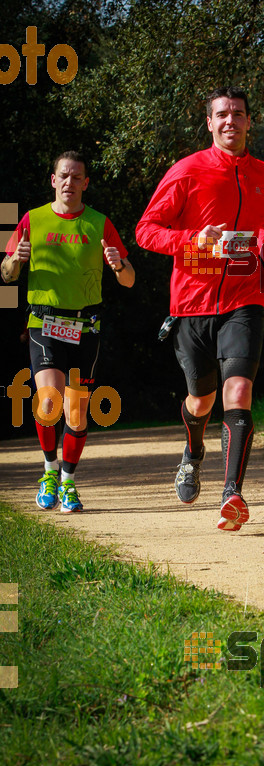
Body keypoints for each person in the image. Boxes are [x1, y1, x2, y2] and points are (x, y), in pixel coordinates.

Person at [136, 87, 264, 532]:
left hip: (245, 300)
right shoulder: (187, 171)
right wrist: (192, 239)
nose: (230, 122)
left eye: (238, 114)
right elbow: (146, 231)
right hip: (192, 304)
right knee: (200, 400)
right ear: (209, 123)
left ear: (249, 121)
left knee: (237, 392)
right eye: (221, 114)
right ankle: (193, 451)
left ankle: (232, 495)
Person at [2, 151, 135, 512]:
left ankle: (69, 483)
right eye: (64, 176)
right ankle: (48, 471)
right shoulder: (33, 220)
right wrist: (16, 259)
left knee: (76, 413)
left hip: (85, 327)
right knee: (48, 403)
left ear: (85, 183)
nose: (69, 183)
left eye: (77, 177)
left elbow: (129, 279)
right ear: (53, 180)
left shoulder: (99, 223)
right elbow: (5, 274)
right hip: (44, 323)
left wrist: (118, 264)